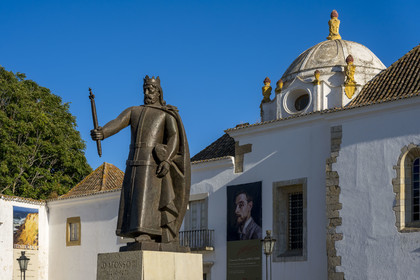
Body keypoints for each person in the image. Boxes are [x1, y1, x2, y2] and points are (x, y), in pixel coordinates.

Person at [91, 76, 190, 244]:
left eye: (150, 90)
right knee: (134, 198)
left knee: (147, 198)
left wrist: (166, 160)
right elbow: (118, 122)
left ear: (158, 92)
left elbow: (174, 137)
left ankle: (149, 232)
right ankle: (136, 230)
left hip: (153, 164)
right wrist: (103, 132)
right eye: (144, 89)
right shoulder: (134, 111)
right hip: (134, 162)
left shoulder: (166, 114)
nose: (146, 93)